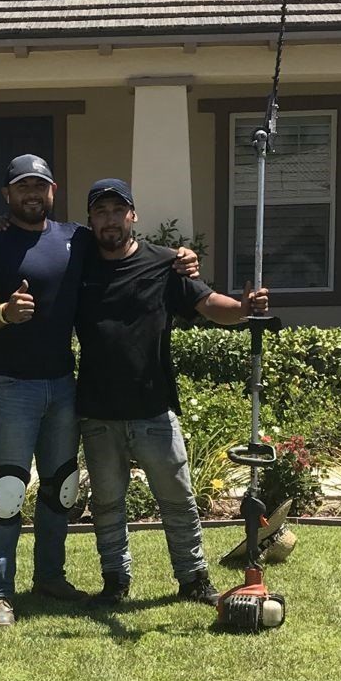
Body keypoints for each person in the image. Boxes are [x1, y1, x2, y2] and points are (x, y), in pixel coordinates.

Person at [0, 156, 198, 627]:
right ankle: (1, 594)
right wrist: (5, 312)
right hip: (11, 387)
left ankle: (50, 576)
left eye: (40, 186)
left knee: (61, 487)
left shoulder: (77, 237)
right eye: (22, 186)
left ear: (52, 191)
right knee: (9, 489)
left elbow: (126, 246)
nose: (32, 193)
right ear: (7, 194)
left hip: (64, 385)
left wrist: (181, 257)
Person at [75, 178, 269, 607]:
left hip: (153, 410)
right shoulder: (80, 262)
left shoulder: (166, 264)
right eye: (100, 212)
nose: (109, 219)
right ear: (90, 220)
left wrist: (241, 309)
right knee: (107, 504)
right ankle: (115, 581)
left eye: (117, 210)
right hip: (98, 411)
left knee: (178, 500)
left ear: (133, 215)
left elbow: (207, 303)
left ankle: (193, 578)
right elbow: (40, 236)